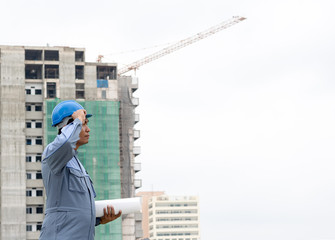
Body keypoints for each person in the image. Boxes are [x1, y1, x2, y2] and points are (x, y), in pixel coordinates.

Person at [39, 100, 121, 240]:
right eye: (84, 124)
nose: (88, 129)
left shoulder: (76, 163)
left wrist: (99, 220)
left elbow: (72, 211)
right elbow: (64, 143)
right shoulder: (52, 154)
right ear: (69, 125)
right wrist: (77, 121)